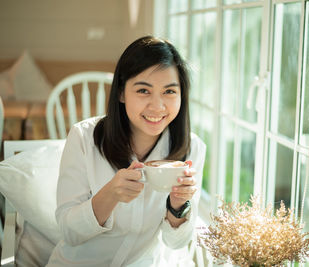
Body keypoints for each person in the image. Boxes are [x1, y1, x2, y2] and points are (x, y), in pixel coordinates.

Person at [46, 36, 206, 266]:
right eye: (143, 90)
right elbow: (70, 233)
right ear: (121, 93)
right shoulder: (84, 137)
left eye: (169, 91)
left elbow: (176, 244)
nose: (157, 106)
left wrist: (178, 206)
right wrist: (110, 194)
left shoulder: (192, 149)